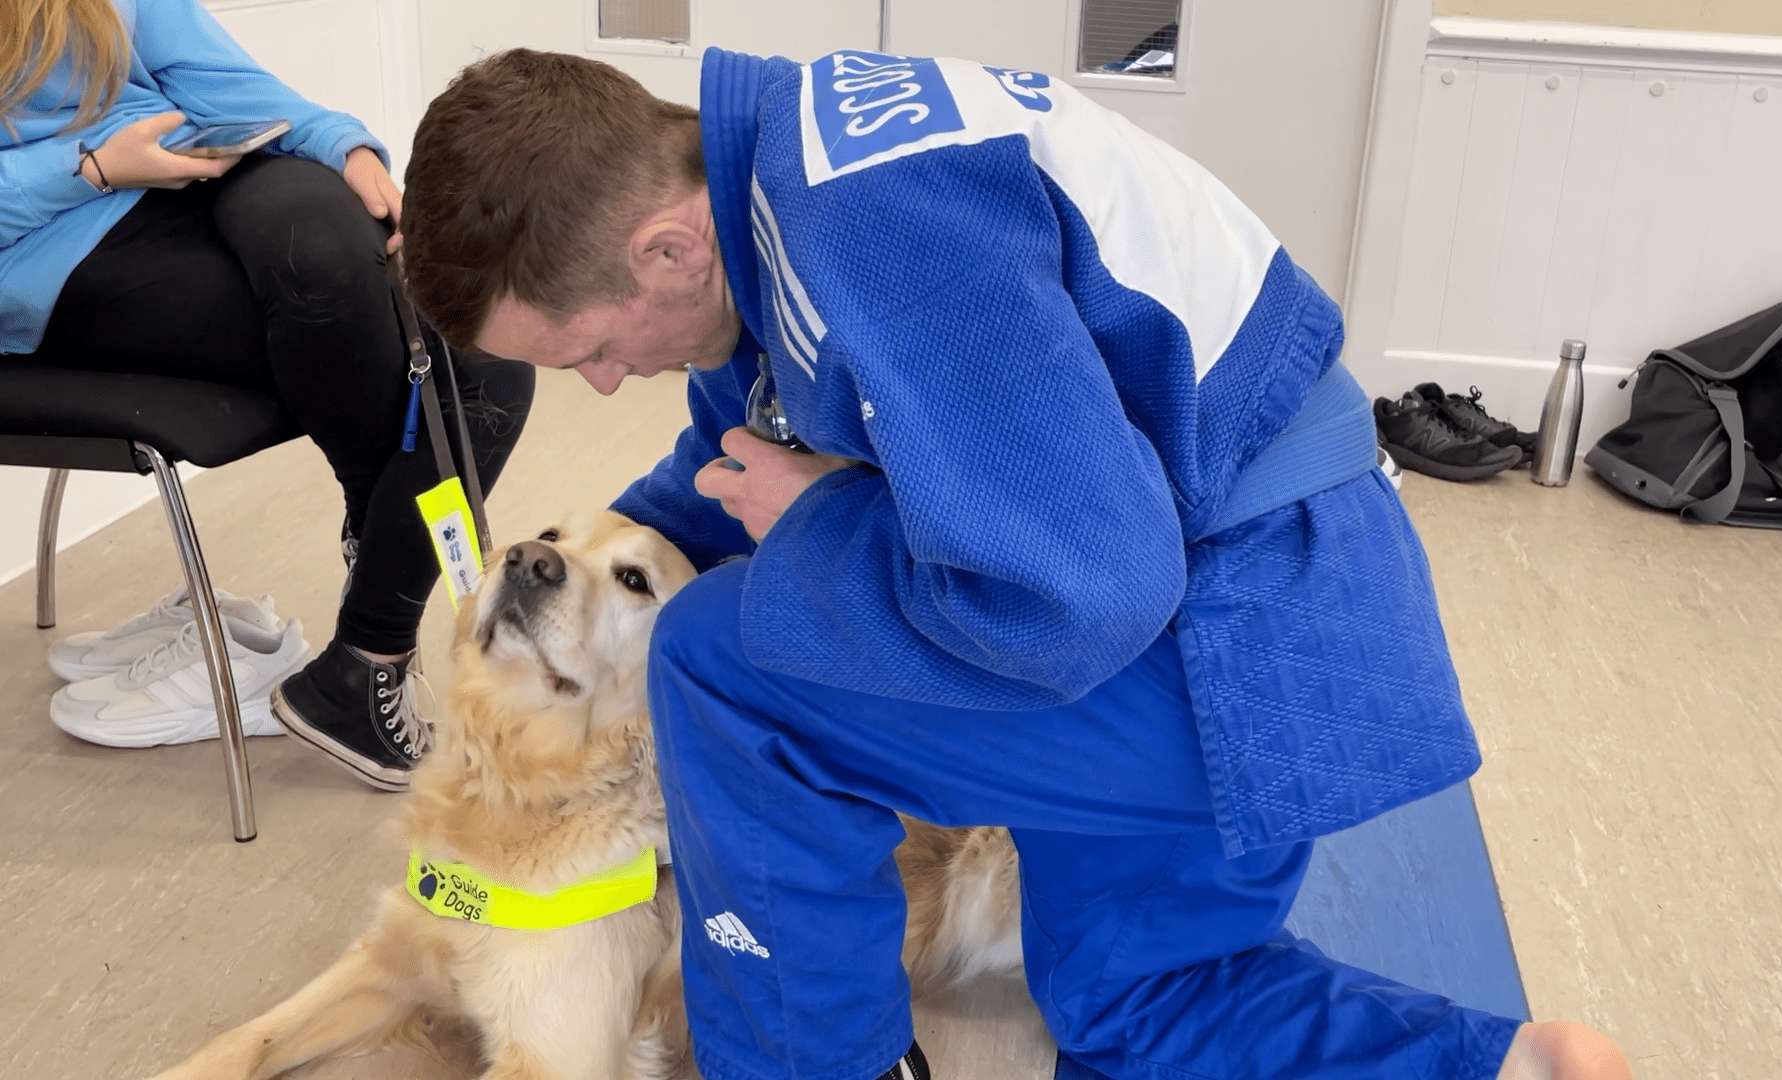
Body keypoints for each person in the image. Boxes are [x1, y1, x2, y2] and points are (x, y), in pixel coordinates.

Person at [401, 46, 1632, 1080]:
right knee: (1134, 1003)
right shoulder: (785, 178)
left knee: (723, 655)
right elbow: (738, 455)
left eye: (592, 351)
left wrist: (822, 531)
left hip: (1228, 652)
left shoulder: (869, 226)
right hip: (1286, 611)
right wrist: (561, 578)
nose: (605, 382)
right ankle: (1510, 1066)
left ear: (668, 252)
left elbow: (1081, 597)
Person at [1, 0, 534, 790]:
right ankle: (371, 639)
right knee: (470, 371)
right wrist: (92, 165)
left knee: (452, 330)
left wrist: (345, 147)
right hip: (51, 244)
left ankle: (361, 610)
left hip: (189, 176)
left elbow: (223, 84)